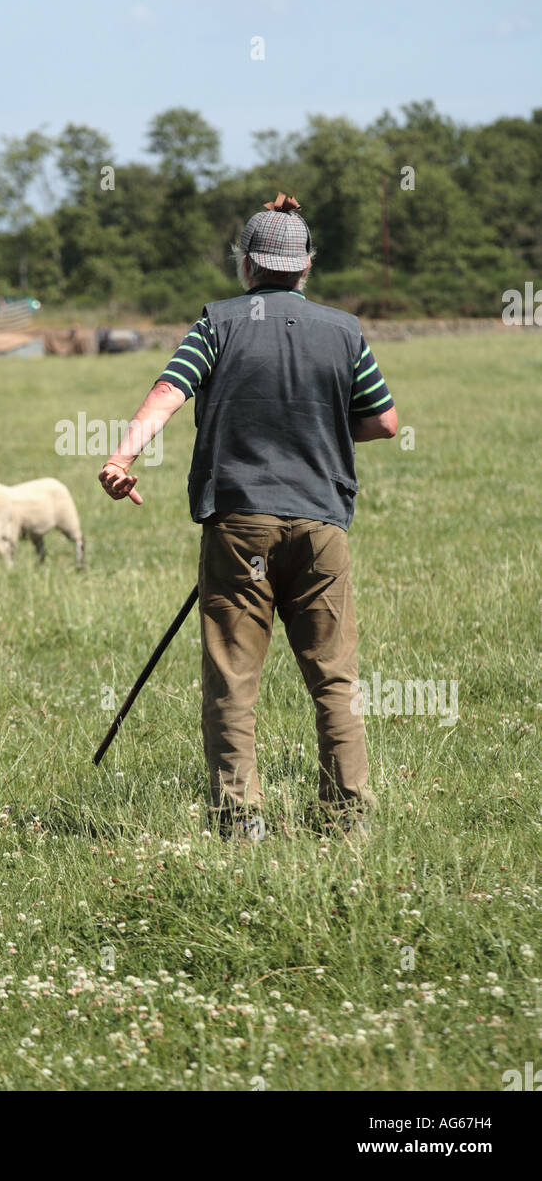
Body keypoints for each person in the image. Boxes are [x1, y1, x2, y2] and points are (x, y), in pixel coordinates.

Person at [98, 194, 397, 839]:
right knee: (334, 678)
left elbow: (169, 390)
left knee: (233, 679)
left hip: (238, 528)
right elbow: (384, 421)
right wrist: (316, 421)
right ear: (306, 265)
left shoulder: (217, 323)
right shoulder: (344, 331)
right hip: (320, 526)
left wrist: (123, 456)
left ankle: (240, 822)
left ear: (247, 265)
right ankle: (348, 822)